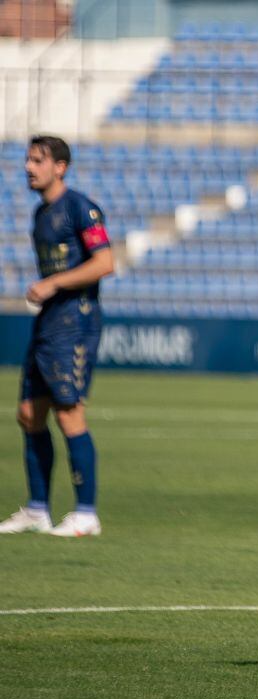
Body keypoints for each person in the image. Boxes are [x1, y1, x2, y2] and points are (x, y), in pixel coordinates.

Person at [0, 136, 114, 538]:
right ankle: (37, 509)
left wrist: (53, 283)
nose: (28, 167)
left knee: (69, 413)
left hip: (75, 321)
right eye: (27, 160)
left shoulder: (80, 208)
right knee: (29, 414)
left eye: (37, 160)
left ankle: (86, 514)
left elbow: (105, 262)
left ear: (60, 167)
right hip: (49, 322)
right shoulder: (40, 213)